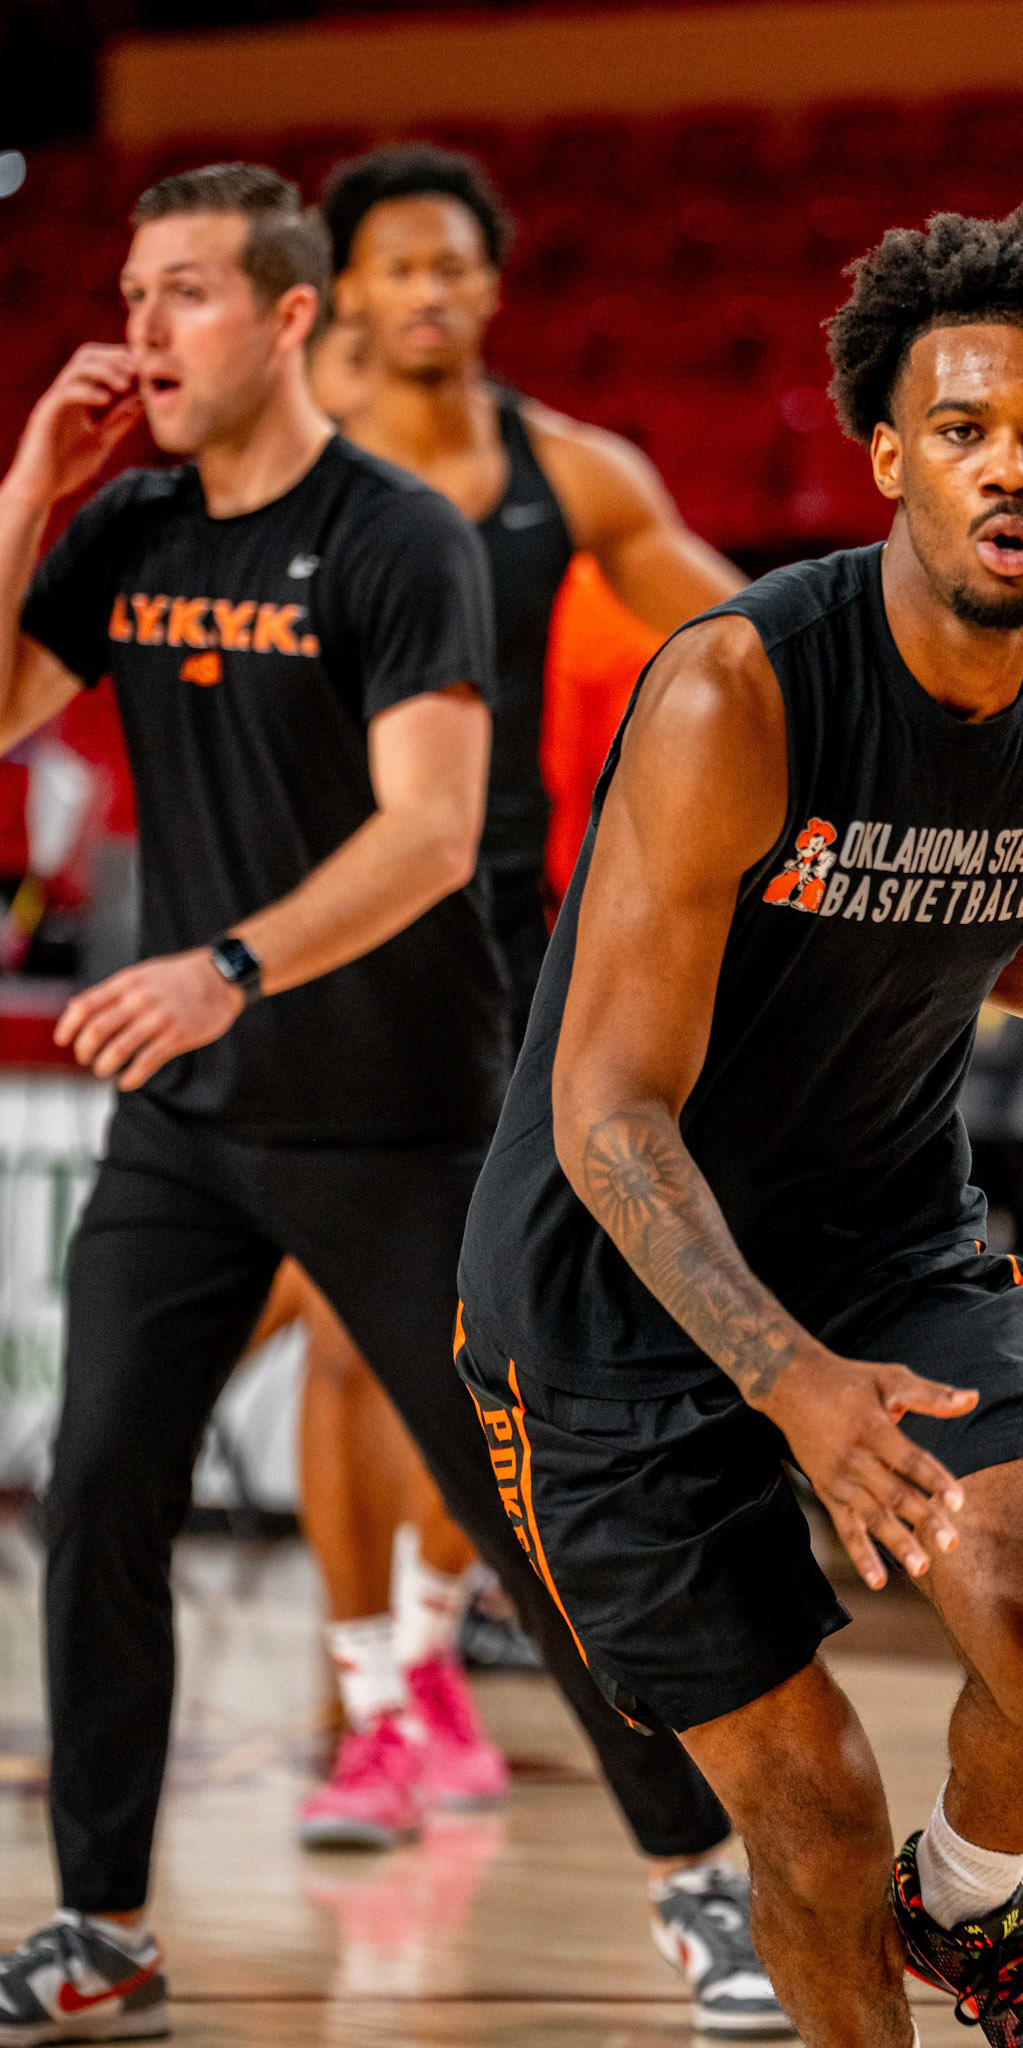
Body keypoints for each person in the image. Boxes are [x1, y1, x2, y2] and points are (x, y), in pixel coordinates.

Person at [454, 200, 1023, 2048]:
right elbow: (608, 1108)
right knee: (805, 1806)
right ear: (887, 457)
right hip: (606, 1278)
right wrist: (790, 1378)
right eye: (959, 430)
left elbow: (972, 908)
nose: (1007, 469)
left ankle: (961, 1917)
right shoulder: (740, 690)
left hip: (882, 1227)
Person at [0, 162, 735, 2045]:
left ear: (287, 313)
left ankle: (701, 1877)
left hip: (405, 1110)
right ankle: (100, 1926)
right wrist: (27, 498)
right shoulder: (128, 522)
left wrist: (221, 961)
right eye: (130, 293)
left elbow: (425, 840)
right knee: (95, 1496)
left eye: (183, 297)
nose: (140, 332)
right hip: (192, 1124)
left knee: (527, 1518)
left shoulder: (402, 534)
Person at [267, 145, 776, 2026]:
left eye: (455, 265)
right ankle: (382, 1699)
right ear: (337, 288)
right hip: (301, 937)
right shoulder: (274, 453)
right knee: (335, 1329)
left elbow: (749, 649)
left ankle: (412, 1686)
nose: (430, 291)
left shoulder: (573, 473)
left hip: (492, 951)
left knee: (439, 1332)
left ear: (491, 286)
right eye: (395, 262)